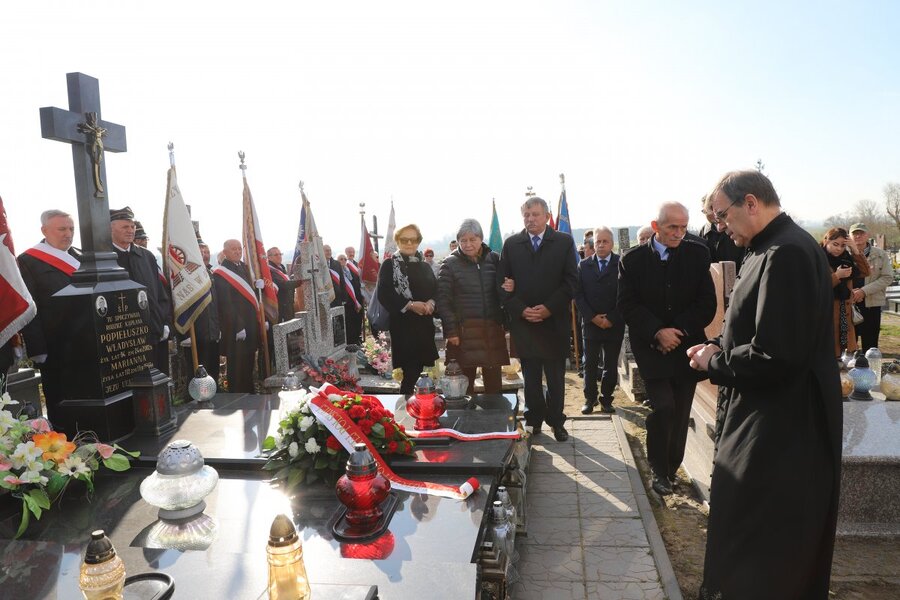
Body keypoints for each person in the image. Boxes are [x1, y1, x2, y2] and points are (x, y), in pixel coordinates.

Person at [688, 170, 843, 600]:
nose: (721, 226)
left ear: (751, 203)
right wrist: (717, 346)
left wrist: (715, 361)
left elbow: (777, 354)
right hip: (766, 417)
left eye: (722, 216)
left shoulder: (787, 252)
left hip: (783, 430)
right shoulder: (765, 248)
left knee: (766, 549)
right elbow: (754, 327)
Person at [617, 201, 715, 494]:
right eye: (672, 227)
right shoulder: (632, 261)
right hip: (652, 349)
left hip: (686, 346)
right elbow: (627, 305)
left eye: (683, 227)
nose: (679, 233)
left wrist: (678, 331)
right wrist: (657, 332)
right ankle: (658, 470)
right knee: (663, 407)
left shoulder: (698, 254)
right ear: (656, 226)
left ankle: (671, 469)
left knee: (681, 411)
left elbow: (706, 303)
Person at [499, 197, 578, 441]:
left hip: (553, 321)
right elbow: (503, 285)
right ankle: (533, 420)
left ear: (546, 216)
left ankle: (557, 421)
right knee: (531, 377)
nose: (530, 219)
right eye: (526, 215)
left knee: (555, 378)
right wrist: (521, 310)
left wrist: (549, 308)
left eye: (535, 214)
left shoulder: (563, 242)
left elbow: (571, 281)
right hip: (525, 323)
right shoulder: (512, 244)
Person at [18, 210, 81, 420]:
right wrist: (37, 349)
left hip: (85, 342)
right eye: (62, 229)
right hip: (54, 346)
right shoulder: (28, 261)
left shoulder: (81, 257)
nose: (68, 234)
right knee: (60, 400)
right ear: (44, 230)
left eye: (71, 229)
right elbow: (30, 307)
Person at [436, 219, 510, 394]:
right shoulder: (449, 264)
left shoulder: (494, 259)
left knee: (494, 388)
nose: (468, 244)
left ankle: (495, 412)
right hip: (463, 335)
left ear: (481, 239)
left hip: (491, 333)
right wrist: (451, 331)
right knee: (463, 388)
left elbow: (503, 291)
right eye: (463, 240)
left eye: (472, 239)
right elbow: (443, 301)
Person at [110, 207, 172, 374]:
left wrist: (165, 322)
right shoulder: (105, 257)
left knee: (159, 379)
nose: (130, 230)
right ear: (111, 229)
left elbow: (160, 295)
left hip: (154, 332)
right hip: (125, 340)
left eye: (132, 227)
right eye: (125, 227)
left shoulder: (146, 256)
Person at [377, 224, 438, 394]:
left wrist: (431, 303)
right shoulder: (390, 264)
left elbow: (436, 290)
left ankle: (419, 405)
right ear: (397, 241)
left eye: (413, 239)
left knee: (420, 372)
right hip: (404, 328)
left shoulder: (424, 266)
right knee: (410, 374)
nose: (409, 243)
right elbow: (384, 294)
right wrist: (410, 305)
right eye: (404, 240)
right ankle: (405, 405)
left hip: (424, 326)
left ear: (419, 241)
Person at [575, 226, 625, 414]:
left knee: (610, 364)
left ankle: (606, 399)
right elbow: (578, 295)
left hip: (614, 323)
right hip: (591, 323)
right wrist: (593, 318)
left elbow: (625, 294)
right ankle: (590, 398)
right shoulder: (583, 265)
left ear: (612, 244)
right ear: (593, 244)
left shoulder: (621, 264)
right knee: (589, 363)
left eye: (605, 241)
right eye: (598, 242)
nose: (601, 245)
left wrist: (611, 318)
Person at [213, 239, 259, 393]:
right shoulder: (221, 273)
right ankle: (238, 396)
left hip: (250, 324)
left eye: (239, 248)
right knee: (237, 366)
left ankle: (249, 392)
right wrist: (238, 326)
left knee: (248, 362)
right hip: (235, 328)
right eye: (234, 249)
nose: (238, 251)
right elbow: (226, 303)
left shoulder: (243, 267)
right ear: (225, 252)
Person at [821, 227, 870, 358]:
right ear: (826, 241)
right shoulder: (818, 258)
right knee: (829, 350)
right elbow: (815, 287)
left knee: (843, 352)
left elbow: (865, 272)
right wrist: (837, 276)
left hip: (844, 310)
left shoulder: (846, 258)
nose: (839, 249)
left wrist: (855, 250)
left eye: (843, 246)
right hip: (826, 312)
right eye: (835, 244)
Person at [850, 222, 894, 351]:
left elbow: (887, 277)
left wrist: (863, 291)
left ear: (867, 235)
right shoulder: (843, 254)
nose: (858, 236)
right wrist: (851, 293)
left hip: (871, 304)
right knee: (848, 344)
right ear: (849, 236)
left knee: (870, 345)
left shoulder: (880, 254)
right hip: (849, 303)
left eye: (861, 233)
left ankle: (869, 363)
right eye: (855, 233)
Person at [191, 240, 220, 385]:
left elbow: (215, 304)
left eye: (207, 252)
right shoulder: (188, 274)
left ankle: (214, 391)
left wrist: (218, 328)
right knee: (199, 370)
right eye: (201, 252)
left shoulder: (210, 272)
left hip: (212, 330)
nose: (205, 255)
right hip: (197, 332)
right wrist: (185, 335)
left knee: (213, 368)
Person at [699, 195, 745, 266]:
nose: (713, 213)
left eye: (714, 209)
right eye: (706, 211)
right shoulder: (704, 231)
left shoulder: (734, 225)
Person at [267, 246, 298, 322]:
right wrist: (299, 282)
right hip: (281, 305)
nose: (279, 256)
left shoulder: (281, 267)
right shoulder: (269, 270)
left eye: (280, 254)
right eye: (276, 255)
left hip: (289, 303)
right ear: (269, 257)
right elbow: (283, 285)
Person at [337, 253, 363, 344]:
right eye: (341, 259)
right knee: (349, 322)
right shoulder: (337, 272)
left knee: (357, 320)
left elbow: (357, 284)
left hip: (356, 299)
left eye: (345, 259)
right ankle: (350, 341)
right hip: (346, 302)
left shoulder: (351, 270)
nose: (344, 261)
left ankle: (356, 338)